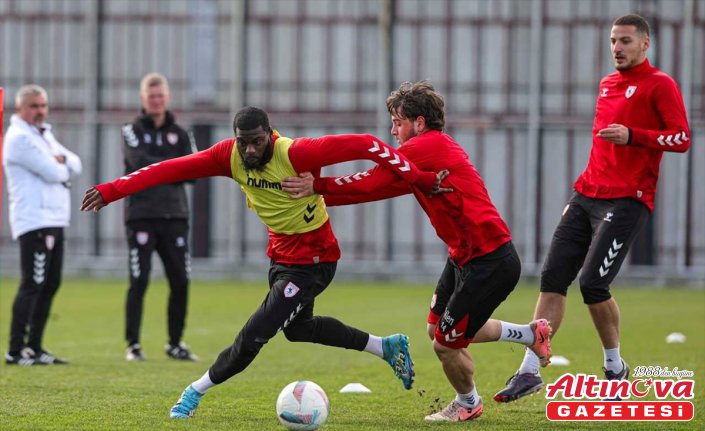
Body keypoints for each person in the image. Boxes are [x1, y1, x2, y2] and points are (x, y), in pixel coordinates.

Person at [81, 106, 443, 418]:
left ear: (269, 135)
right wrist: (112, 190)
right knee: (298, 329)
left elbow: (367, 144)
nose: (251, 149)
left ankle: (194, 391)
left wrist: (422, 179)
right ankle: (385, 346)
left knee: (255, 333)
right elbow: (170, 169)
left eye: (257, 141)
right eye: (244, 142)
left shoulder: (297, 154)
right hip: (281, 257)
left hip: (315, 259)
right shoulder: (229, 156)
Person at [281, 81, 553, 422]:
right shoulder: (420, 154)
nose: (392, 130)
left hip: (490, 261)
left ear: (419, 123)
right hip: (463, 256)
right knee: (437, 329)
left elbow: (372, 181)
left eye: (398, 122)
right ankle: (530, 334)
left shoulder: (427, 146)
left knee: (445, 344)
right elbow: (380, 187)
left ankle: (468, 404)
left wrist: (317, 186)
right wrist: (320, 192)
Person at [492, 13, 691, 403]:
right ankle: (529, 372)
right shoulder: (606, 84)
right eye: (613, 41)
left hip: (627, 199)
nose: (617, 48)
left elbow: (682, 137)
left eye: (626, 41)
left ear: (645, 44)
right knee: (552, 277)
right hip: (585, 194)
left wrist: (634, 135)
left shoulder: (660, 84)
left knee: (593, 285)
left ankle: (615, 369)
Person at [3, 84, 82, 365]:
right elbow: (54, 171)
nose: (40, 111)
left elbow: (76, 162)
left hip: (55, 220)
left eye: (43, 105)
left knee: (50, 284)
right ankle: (15, 350)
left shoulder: (44, 135)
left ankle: (34, 347)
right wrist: (59, 164)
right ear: (20, 109)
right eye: (34, 106)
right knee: (32, 284)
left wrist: (60, 162)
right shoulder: (18, 138)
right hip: (34, 221)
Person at [121, 73, 196, 362]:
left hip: (175, 216)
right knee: (138, 281)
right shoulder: (130, 129)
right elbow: (137, 162)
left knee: (180, 280)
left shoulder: (181, 131)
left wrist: (161, 168)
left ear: (167, 98)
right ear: (143, 99)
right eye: (151, 96)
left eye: (160, 95)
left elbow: (193, 171)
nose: (156, 100)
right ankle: (133, 344)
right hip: (141, 216)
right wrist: (172, 166)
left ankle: (175, 343)